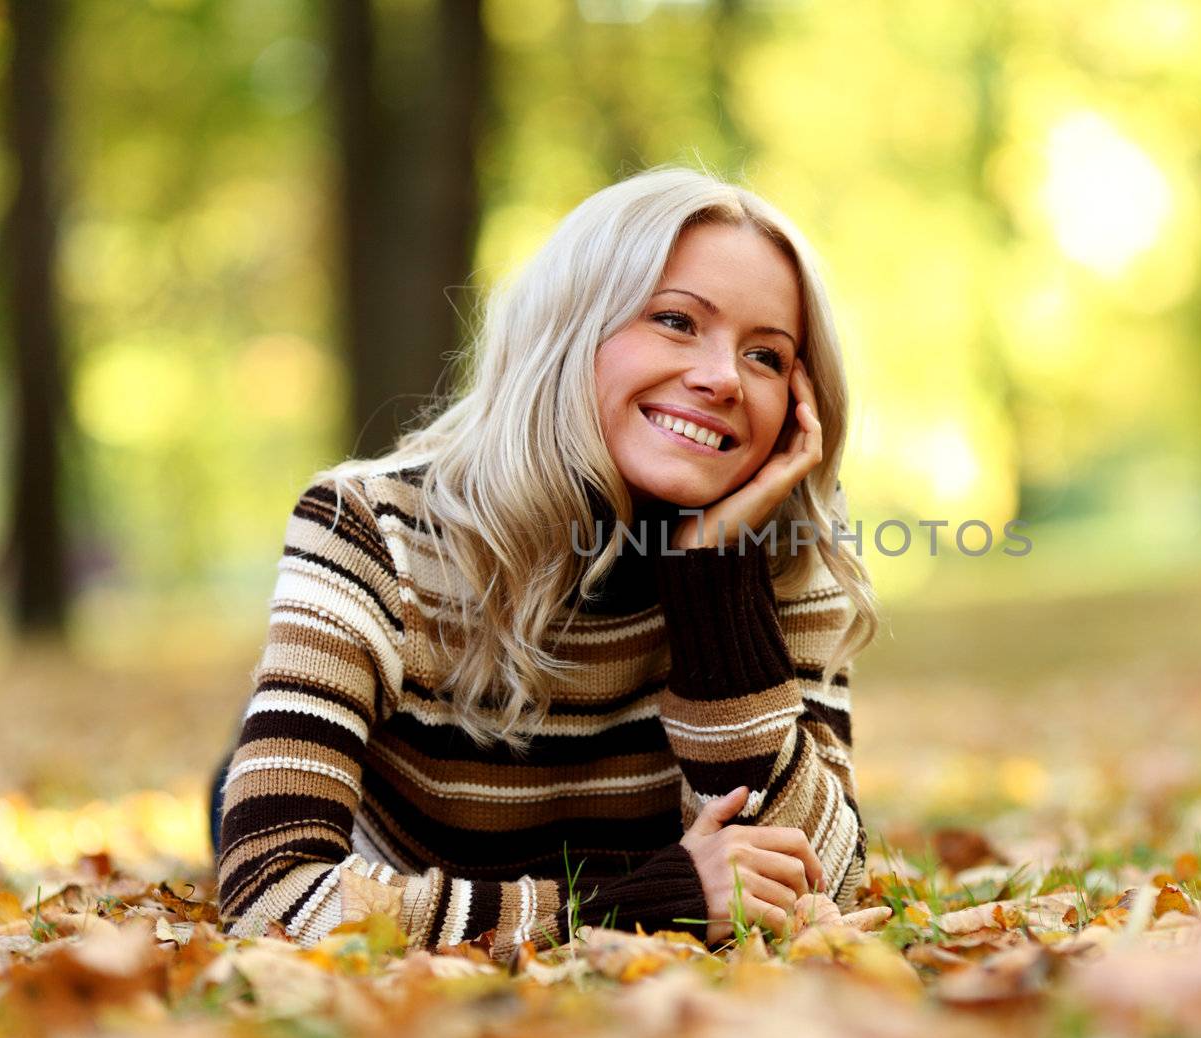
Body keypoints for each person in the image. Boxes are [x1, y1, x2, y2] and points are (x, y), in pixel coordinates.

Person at [212, 166, 878, 962]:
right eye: (675, 320)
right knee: (242, 790)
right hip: (384, 835)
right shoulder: (369, 526)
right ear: (570, 328)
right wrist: (638, 906)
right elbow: (274, 895)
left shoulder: (776, 553)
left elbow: (819, 889)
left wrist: (714, 579)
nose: (722, 376)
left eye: (767, 356)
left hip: (476, 899)